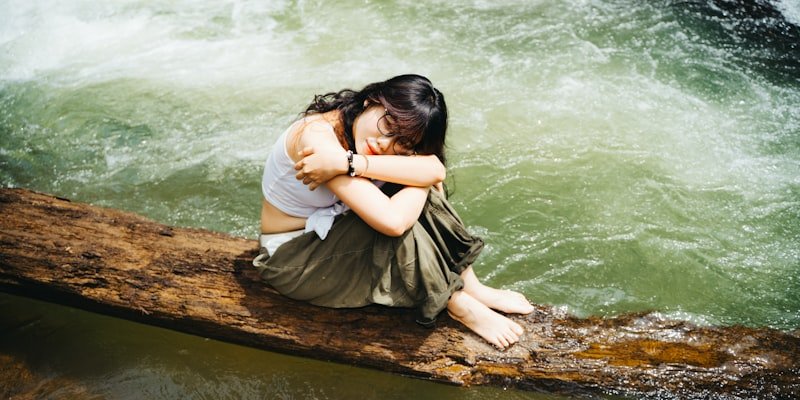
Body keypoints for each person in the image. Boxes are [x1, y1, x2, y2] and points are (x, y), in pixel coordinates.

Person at [253, 74, 534, 349]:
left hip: (332, 239)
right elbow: (393, 222)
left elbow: (435, 170)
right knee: (406, 200)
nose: (385, 143)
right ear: (370, 102)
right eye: (387, 124)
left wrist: (354, 163)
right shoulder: (317, 139)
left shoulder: (359, 150)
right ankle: (456, 302)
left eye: (404, 142)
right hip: (292, 261)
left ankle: (472, 286)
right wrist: (419, 175)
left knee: (415, 191)